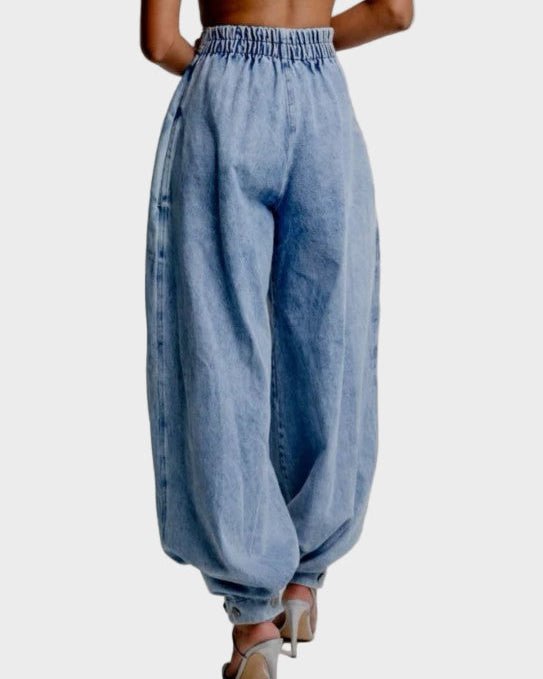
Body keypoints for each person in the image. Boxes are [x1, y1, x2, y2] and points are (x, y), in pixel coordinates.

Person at [140, 1, 413, 677]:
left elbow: (159, 42)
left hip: (223, 91)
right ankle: (302, 581)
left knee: (220, 342)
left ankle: (254, 621)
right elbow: (394, 11)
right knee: (326, 337)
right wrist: (308, 45)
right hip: (322, 96)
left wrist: (224, 69)